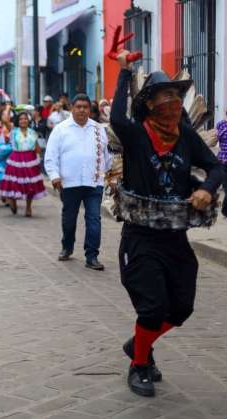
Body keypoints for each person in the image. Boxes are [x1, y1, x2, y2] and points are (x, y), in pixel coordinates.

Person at [110, 50, 225, 397]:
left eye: (177, 96)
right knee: (153, 307)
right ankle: (140, 364)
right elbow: (116, 116)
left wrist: (207, 187)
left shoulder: (187, 137)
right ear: (149, 104)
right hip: (140, 239)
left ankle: (138, 345)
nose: (173, 102)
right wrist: (124, 72)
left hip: (176, 238)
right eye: (165, 96)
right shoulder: (134, 134)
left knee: (181, 308)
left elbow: (218, 166)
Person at [44, 94, 111, 270]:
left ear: (90, 109)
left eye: (85, 107)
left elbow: (107, 155)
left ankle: (92, 256)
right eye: (78, 106)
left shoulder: (99, 129)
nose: (82, 110)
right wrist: (54, 176)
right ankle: (67, 246)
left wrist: (110, 176)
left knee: (94, 219)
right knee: (69, 219)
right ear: (72, 108)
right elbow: (51, 156)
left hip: (94, 182)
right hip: (69, 182)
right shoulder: (61, 129)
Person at [0, 111, 46, 216]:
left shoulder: (33, 132)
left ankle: (28, 208)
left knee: (30, 184)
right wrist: (8, 107)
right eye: (21, 119)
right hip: (16, 159)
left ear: (28, 120)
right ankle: (13, 201)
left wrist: (39, 156)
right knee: (15, 183)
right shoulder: (13, 131)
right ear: (17, 121)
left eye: (25, 118)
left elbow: (37, 146)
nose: (23, 121)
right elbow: (5, 120)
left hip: (31, 159)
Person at [216, 111, 227, 217]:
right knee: (226, 186)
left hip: (222, 159)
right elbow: (216, 138)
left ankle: (225, 210)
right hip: (223, 160)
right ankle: (225, 210)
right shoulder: (221, 124)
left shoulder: (221, 125)